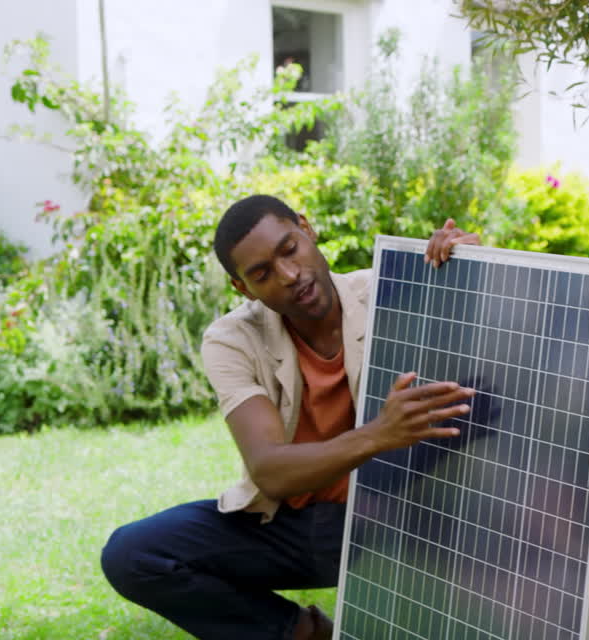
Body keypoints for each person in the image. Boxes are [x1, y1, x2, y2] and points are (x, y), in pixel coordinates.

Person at [100, 195, 479, 640]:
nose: (290, 275)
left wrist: (467, 265)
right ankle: (301, 633)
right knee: (132, 553)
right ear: (243, 288)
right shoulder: (231, 339)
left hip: (394, 519)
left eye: (289, 249)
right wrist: (379, 434)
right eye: (262, 273)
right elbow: (270, 471)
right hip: (291, 529)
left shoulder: (391, 292)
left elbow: (490, 376)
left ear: (306, 228)